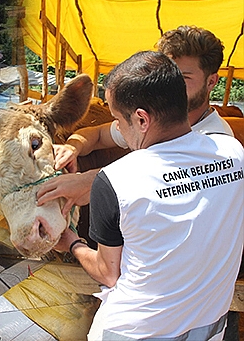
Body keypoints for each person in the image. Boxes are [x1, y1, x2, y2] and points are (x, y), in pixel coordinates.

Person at [53, 50, 244, 340]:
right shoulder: (234, 153)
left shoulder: (115, 181)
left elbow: (108, 273)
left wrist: (71, 242)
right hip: (209, 327)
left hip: (133, 332)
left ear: (142, 119)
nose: (116, 127)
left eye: (117, 118)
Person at [37, 26, 233, 216]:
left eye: (183, 78)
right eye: (166, 76)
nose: (169, 87)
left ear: (211, 82)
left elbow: (169, 176)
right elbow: (97, 135)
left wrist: (88, 181)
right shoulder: (152, 121)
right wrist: (72, 147)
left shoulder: (216, 140)